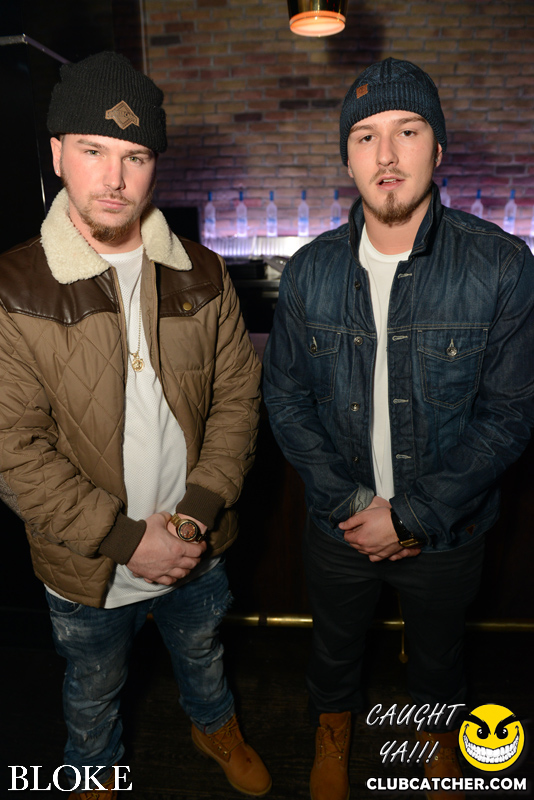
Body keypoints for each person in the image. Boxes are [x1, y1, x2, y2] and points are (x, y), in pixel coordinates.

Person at [0, 51, 271, 799]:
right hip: (87, 563)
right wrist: (126, 541)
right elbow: (12, 450)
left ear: (154, 168)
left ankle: (214, 727)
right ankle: (95, 771)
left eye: (136, 156)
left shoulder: (204, 272)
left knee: (204, 657)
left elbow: (238, 400)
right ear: (58, 153)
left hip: (197, 545)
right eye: (93, 150)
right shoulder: (13, 287)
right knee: (93, 688)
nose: (114, 178)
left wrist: (196, 514)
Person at [263, 57, 534, 800]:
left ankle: (434, 737)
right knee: (333, 648)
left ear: (437, 148)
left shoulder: (503, 265)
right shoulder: (309, 271)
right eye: (365, 137)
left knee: (440, 658)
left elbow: (509, 416)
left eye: (407, 132)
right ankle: (332, 734)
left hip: (448, 529)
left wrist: (409, 515)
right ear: (347, 158)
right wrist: (354, 506)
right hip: (340, 524)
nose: (386, 155)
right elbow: (285, 399)